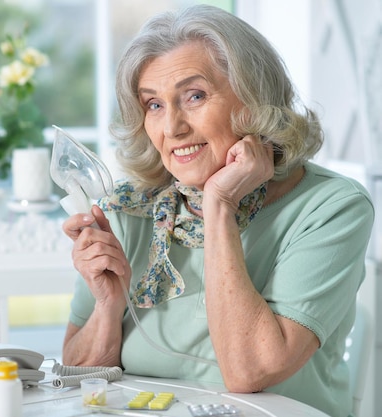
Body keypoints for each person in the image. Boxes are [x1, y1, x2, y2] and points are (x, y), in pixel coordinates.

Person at [60, 5, 374, 417]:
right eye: (153, 105)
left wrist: (219, 205)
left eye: (195, 96)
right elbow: (76, 385)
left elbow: (250, 372)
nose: (172, 128)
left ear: (255, 100)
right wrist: (108, 305)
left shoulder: (332, 208)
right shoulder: (127, 210)